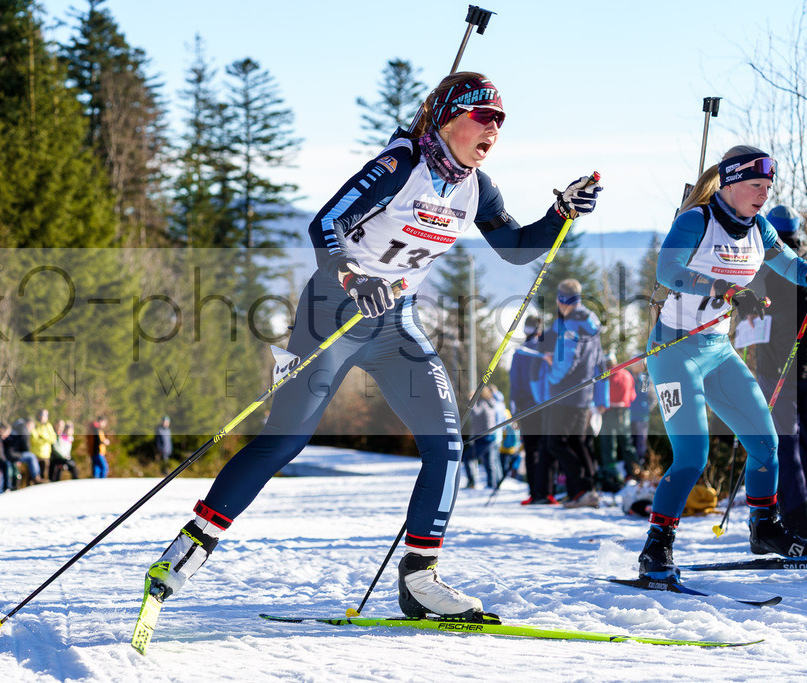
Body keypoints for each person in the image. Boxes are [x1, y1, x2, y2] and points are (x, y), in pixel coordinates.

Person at [143, 72, 602, 619]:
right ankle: (186, 551)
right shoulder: (400, 166)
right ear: (448, 117)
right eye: (483, 118)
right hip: (331, 314)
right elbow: (325, 226)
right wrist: (352, 279)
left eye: (500, 123)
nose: (493, 131)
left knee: (447, 444)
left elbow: (518, 249)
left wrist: (561, 213)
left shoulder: (478, 187)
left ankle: (419, 579)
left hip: (394, 325)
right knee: (284, 443)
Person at [638, 147, 807, 582]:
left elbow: (791, 266)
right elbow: (668, 271)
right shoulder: (696, 221)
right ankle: (657, 546)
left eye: (768, 187)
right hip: (674, 352)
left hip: (717, 350)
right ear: (730, 183)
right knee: (692, 456)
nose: (763, 195)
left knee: (766, 445)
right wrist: (725, 290)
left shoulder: (761, 229)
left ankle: (764, 527)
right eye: (755, 185)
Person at [747, 204, 807, 535]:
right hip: (796, 366)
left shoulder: (766, 266)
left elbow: (748, 312)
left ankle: (797, 520)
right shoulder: (801, 263)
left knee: (783, 442)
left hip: (778, 367)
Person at [541, 279, 609, 509]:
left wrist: (552, 372)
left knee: (556, 443)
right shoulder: (590, 323)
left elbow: (567, 359)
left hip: (565, 393)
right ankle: (586, 490)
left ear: (561, 300)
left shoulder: (571, 324)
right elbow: (600, 361)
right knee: (577, 443)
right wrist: (601, 394)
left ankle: (582, 490)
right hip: (584, 392)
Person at [510, 315, 556, 505]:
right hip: (547, 405)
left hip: (527, 406)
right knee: (547, 447)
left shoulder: (520, 352)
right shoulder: (546, 349)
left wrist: (515, 409)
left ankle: (535, 492)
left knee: (532, 450)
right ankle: (548, 492)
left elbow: (515, 383)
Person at [598, 351, 636, 491]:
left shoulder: (608, 376)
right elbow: (633, 396)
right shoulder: (627, 374)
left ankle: (612, 479)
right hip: (624, 412)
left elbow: (604, 397)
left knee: (608, 446)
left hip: (610, 413)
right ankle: (635, 473)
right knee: (626, 445)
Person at [628, 362, 655, 474]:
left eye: (639, 363)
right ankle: (629, 468)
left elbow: (649, 396)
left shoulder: (644, 378)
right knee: (628, 442)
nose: (637, 366)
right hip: (628, 415)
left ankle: (639, 467)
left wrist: (647, 408)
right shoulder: (628, 375)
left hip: (641, 416)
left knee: (640, 442)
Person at [31, 409, 58, 480]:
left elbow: (53, 439)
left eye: (47, 415)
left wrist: (43, 437)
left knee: (44, 477)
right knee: (34, 477)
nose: (45, 417)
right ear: (39, 415)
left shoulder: (48, 426)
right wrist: (45, 440)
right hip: (35, 455)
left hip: (45, 455)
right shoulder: (35, 425)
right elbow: (34, 440)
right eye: (43, 415)